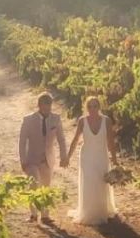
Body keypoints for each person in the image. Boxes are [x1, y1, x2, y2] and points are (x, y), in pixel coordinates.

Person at [66, 95, 120, 227]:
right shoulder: (82, 121)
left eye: (95, 106)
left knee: (101, 182)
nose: (92, 109)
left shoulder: (106, 121)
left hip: (101, 156)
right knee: (89, 182)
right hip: (87, 156)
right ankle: (89, 212)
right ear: (86, 108)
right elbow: (75, 140)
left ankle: (101, 211)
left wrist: (114, 160)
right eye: (89, 106)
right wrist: (68, 157)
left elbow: (111, 142)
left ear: (99, 107)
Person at [17, 93, 69, 224]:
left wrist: (64, 156)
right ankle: (33, 214)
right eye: (45, 107)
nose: (47, 110)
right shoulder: (28, 120)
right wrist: (23, 160)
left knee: (46, 187)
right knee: (34, 184)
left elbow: (61, 139)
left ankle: (45, 215)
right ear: (39, 106)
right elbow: (22, 141)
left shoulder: (56, 119)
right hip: (32, 158)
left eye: (49, 107)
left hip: (48, 158)